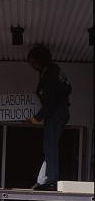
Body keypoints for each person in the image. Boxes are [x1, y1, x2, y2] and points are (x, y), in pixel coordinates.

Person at [27, 45, 72, 191]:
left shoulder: (50, 74)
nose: (32, 65)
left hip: (55, 112)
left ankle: (50, 181)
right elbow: (67, 88)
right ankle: (43, 180)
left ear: (41, 60)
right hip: (58, 111)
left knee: (50, 147)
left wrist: (35, 119)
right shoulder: (54, 70)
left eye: (33, 62)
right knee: (48, 147)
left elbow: (50, 101)